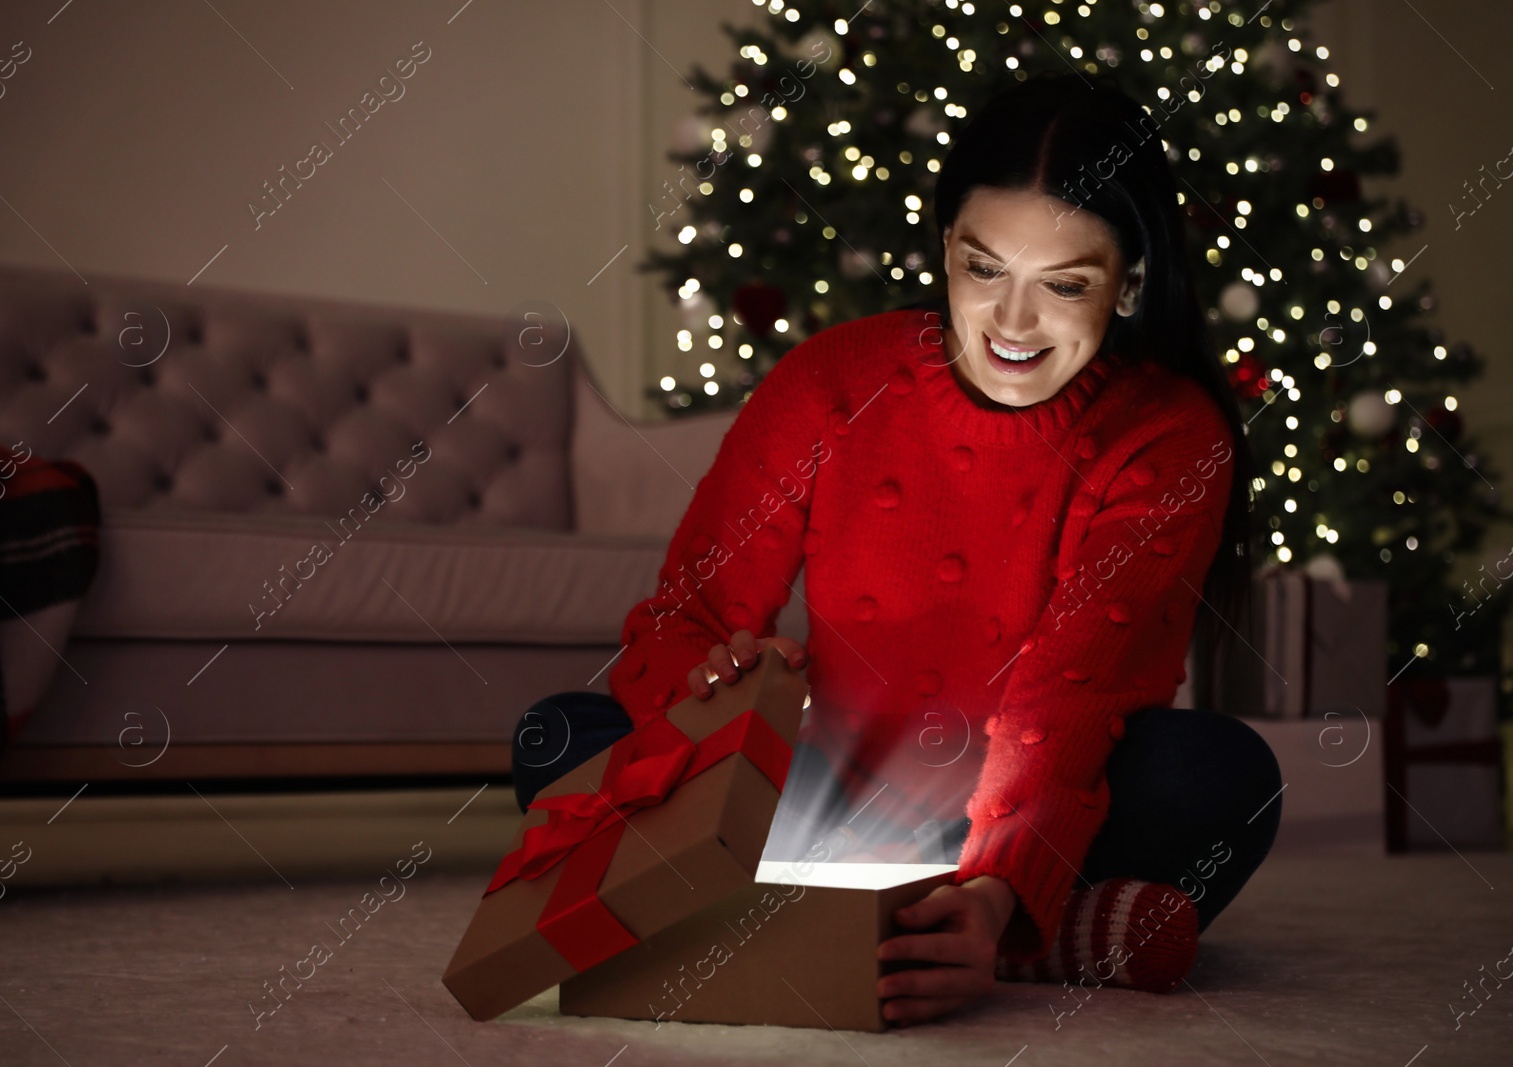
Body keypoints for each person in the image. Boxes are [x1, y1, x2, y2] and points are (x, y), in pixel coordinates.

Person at [510, 71, 1281, 1027]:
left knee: (1222, 776)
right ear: (946, 248)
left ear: (1128, 285)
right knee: (563, 737)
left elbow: (1074, 693)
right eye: (984, 267)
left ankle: (984, 920)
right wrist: (714, 691)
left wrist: (994, 895)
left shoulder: (1170, 432)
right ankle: (1054, 935)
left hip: (1039, 797)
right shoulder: (836, 377)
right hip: (821, 801)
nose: (1011, 323)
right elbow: (689, 614)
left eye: (1066, 285)